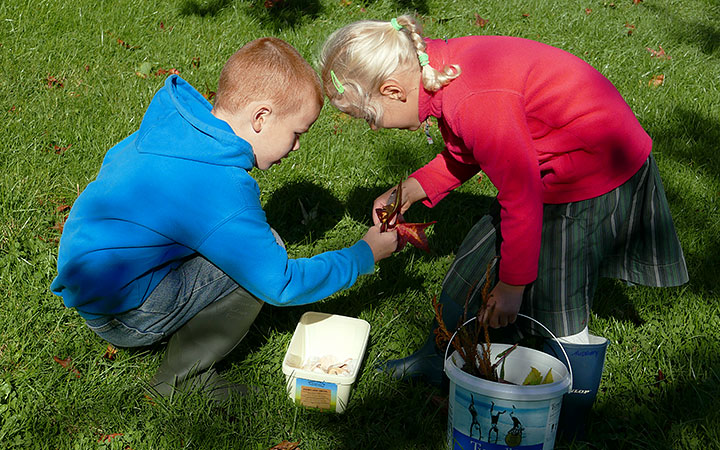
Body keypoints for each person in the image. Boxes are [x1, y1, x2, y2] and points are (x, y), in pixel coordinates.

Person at [318, 15, 688, 436]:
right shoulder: (438, 70)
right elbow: (468, 150)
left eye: (370, 117)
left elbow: (520, 195)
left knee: (556, 293)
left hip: (591, 168)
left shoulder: (473, 100)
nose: (372, 127)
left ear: (393, 91)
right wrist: (410, 190)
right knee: (471, 267)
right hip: (546, 164)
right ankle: (438, 357)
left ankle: (568, 411)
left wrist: (513, 285)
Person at [51, 37, 397, 402]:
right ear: (261, 117)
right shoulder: (221, 188)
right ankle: (181, 380)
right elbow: (281, 284)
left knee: (235, 248)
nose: (296, 147)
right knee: (268, 253)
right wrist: (364, 253)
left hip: (91, 284)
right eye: (297, 133)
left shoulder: (177, 126)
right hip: (124, 315)